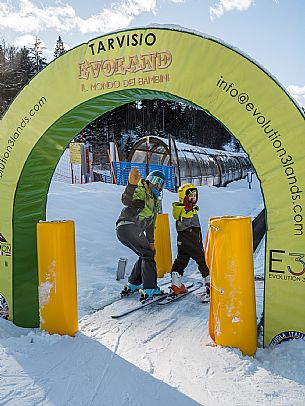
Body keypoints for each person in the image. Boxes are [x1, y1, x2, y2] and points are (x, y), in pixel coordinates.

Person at [116, 168, 166, 301]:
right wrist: (131, 185)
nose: (158, 186)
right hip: (128, 225)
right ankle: (150, 289)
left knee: (145, 253)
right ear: (149, 180)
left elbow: (150, 225)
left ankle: (133, 284)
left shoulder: (154, 201)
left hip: (129, 229)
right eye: (155, 182)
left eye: (161, 184)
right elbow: (127, 200)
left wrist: (151, 242)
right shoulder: (142, 190)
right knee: (148, 255)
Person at [170, 183, 210, 300]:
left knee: (180, 261)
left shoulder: (181, 208)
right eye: (190, 196)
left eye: (195, 195)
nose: (193, 198)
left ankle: (176, 285)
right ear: (184, 197)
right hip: (192, 239)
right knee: (202, 260)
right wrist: (188, 209)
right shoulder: (186, 209)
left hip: (182, 241)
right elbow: (185, 220)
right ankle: (209, 282)